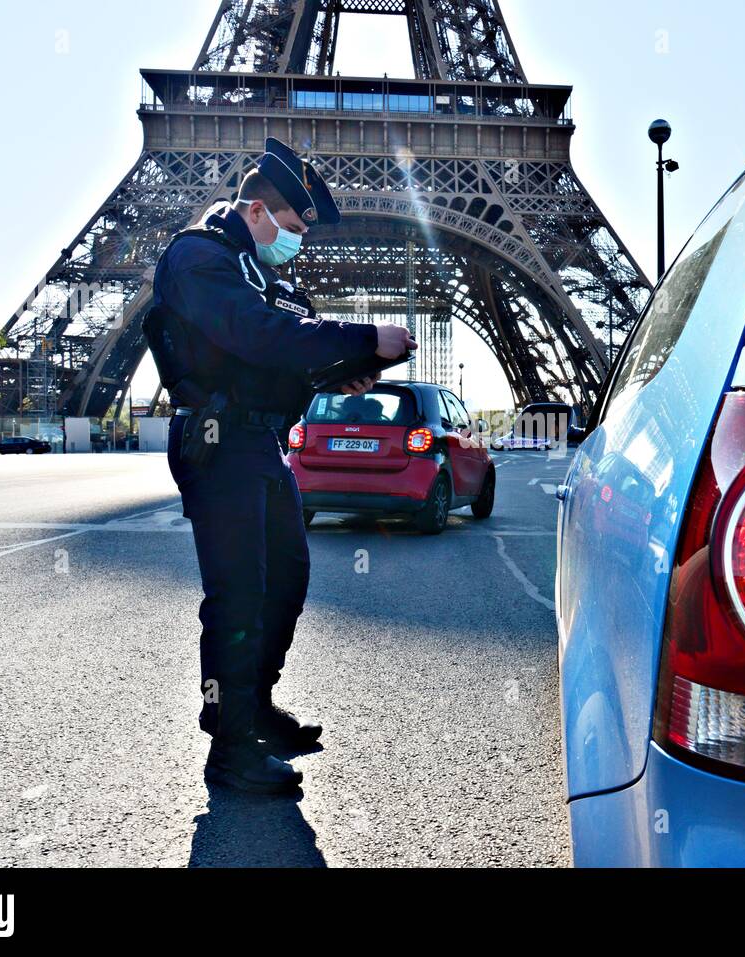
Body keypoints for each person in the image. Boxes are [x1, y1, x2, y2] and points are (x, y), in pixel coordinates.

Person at [150, 139, 416, 794]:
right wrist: (364, 338)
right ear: (258, 210)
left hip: (262, 445)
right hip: (216, 441)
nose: (297, 242)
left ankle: (256, 708)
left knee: (286, 583)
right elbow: (255, 335)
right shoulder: (199, 259)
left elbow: (284, 348)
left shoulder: (259, 273)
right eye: (293, 229)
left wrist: (341, 372)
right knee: (238, 594)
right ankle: (230, 747)